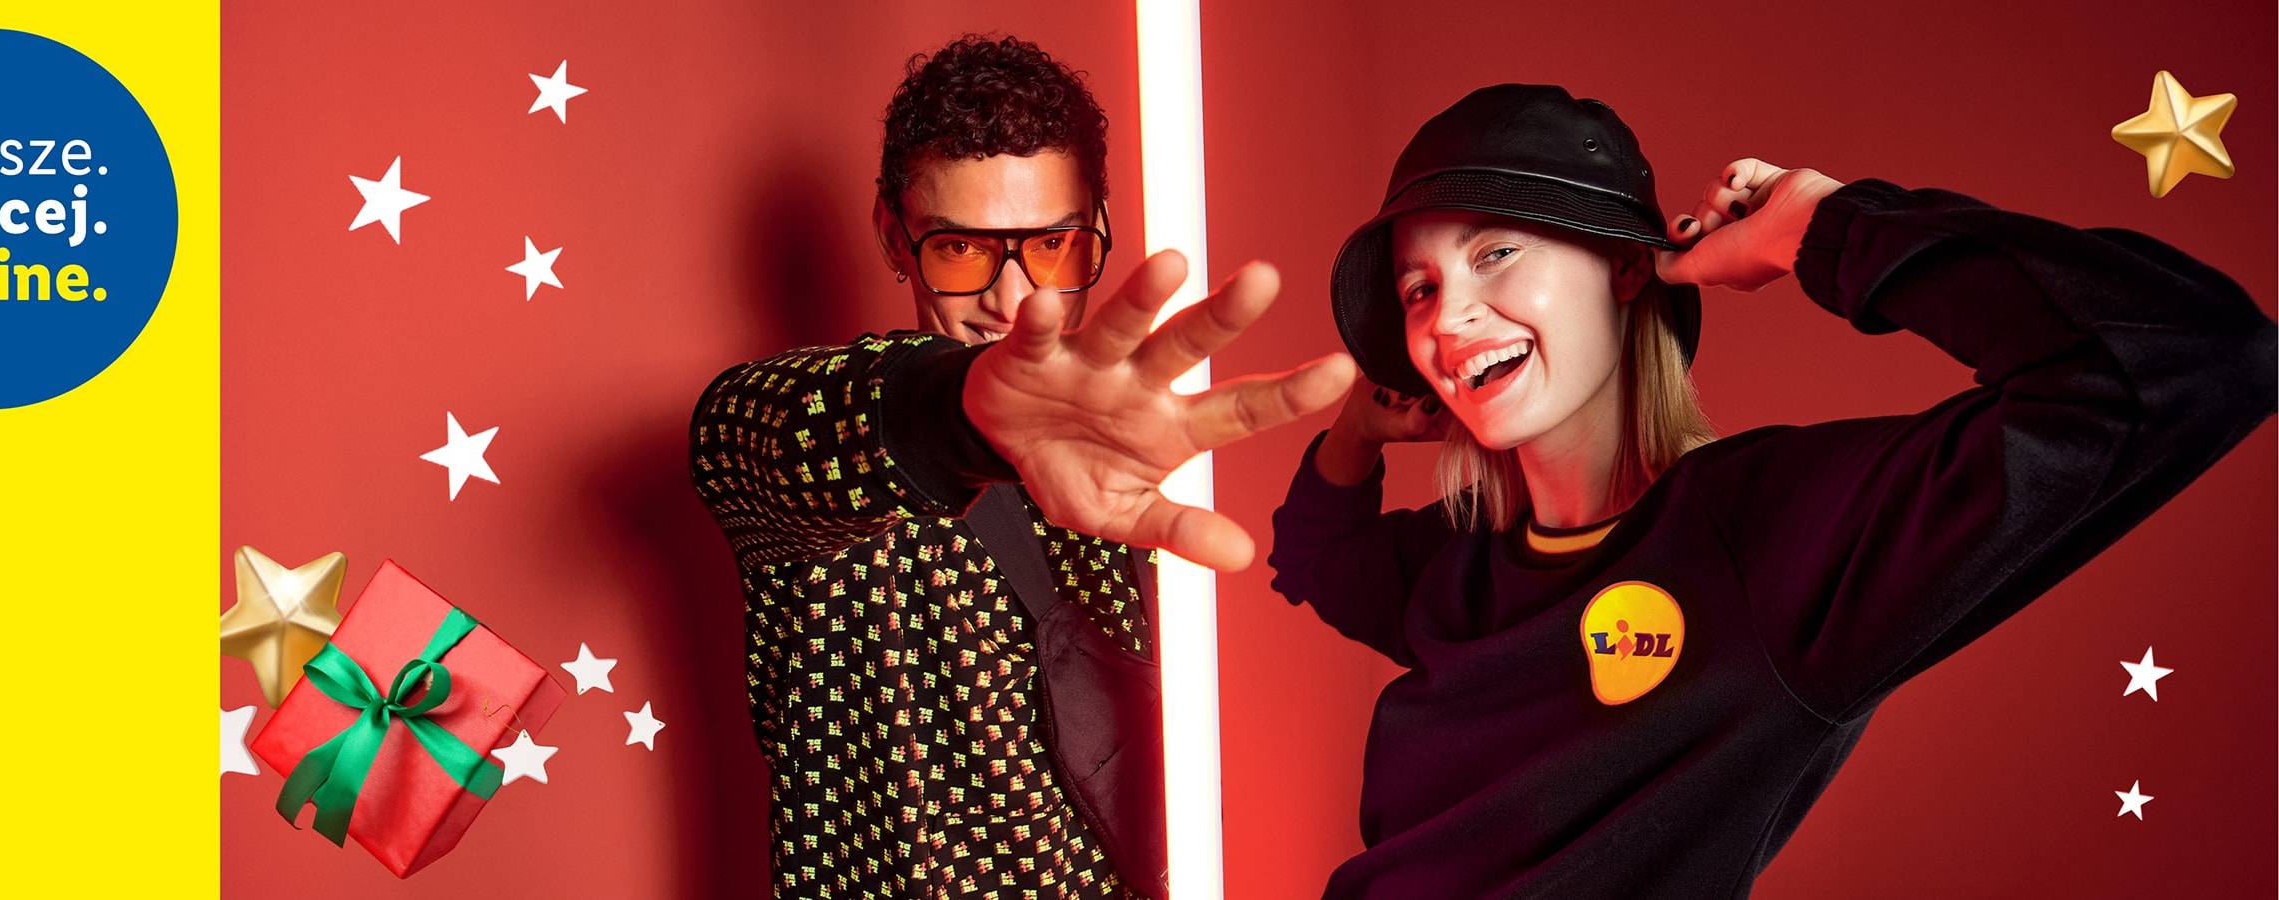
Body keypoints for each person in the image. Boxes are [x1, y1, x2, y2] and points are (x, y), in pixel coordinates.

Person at [1265, 83, 2276, 897]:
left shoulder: (1766, 542)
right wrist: (1358, 426)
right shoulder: (1458, 565)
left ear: (1625, 269)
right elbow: (1313, 555)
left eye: (1494, 253)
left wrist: (1821, 228)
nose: (1446, 321)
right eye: (1419, 289)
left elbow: (2196, 358)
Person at [688, 34, 1352, 898]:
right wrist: (965, 416)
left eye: (1051, 247)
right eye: (961, 250)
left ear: (1097, 230)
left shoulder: (1134, 439)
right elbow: (741, 431)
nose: (1013, 301)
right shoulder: (828, 442)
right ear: (893, 236)